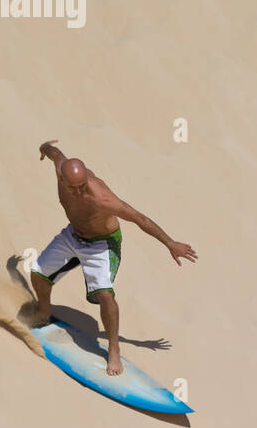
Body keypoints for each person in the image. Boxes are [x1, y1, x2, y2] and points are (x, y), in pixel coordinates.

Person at [30, 140, 198, 376]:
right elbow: (54, 152)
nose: (78, 191)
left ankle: (114, 351)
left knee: (105, 295)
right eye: (73, 187)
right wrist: (44, 147)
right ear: (62, 179)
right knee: (37, 272)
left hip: (102, 244)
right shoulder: (60, 167)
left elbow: (140, 219)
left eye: (82, 186)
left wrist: (170, 243)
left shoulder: (102, 198)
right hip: (73, 235)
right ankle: (44, 313)